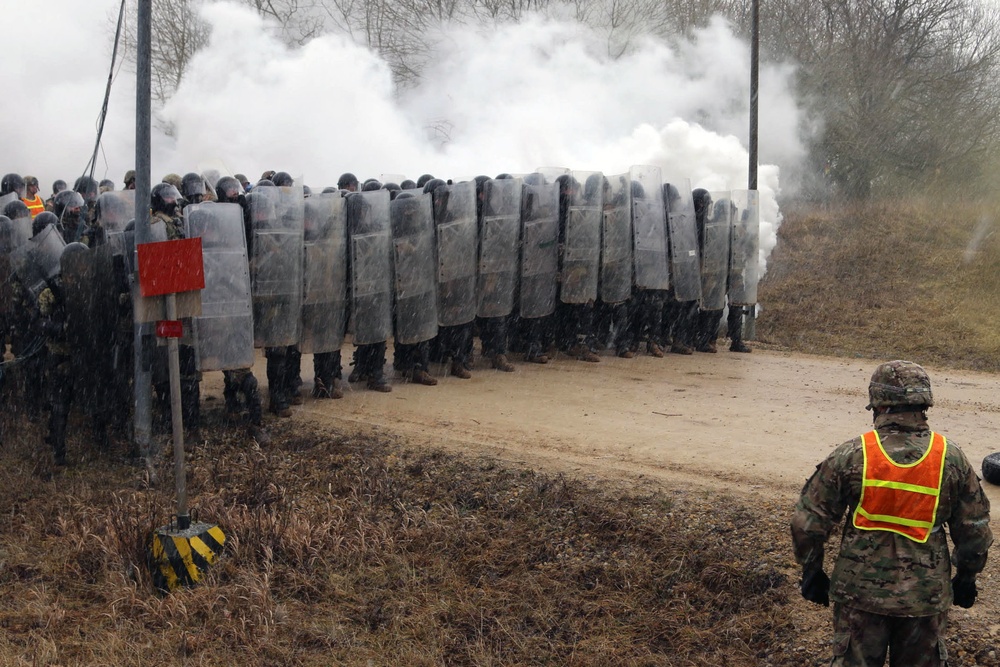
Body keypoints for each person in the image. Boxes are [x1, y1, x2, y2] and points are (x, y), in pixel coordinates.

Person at [791, 360, 992, 667]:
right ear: (924, 403)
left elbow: (809, 522)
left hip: (860, 597)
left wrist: (811, 570)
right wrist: (967, 577)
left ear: (878, 404)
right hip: (924, 600)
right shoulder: (950, 459)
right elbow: (974, 531)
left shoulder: (852, 455)